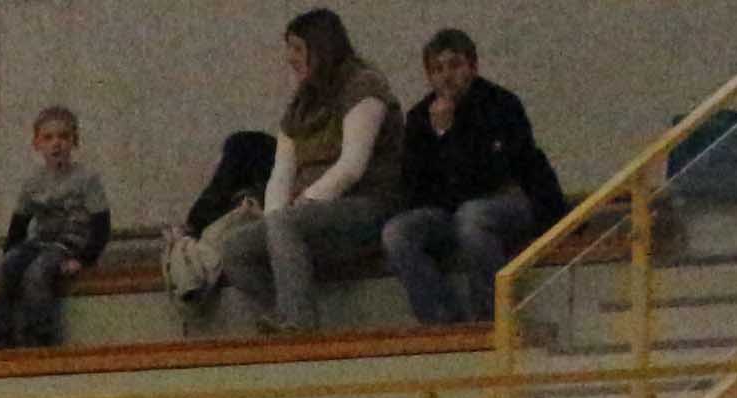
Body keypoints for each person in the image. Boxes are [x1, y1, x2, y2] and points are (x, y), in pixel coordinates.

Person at [197, 10, 405, 334]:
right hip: (310, 216)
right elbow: (281, 172)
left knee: (285, 223)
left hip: (366, 206)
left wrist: (301, 205)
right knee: (235, 248)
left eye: (296, 48)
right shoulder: (300, 104)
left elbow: (351, 167)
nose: (289, 58)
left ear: (321, 47)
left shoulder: (363, 86)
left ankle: (299, 323)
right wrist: (274, 219)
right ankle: (281, 311)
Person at [384, 28, 568, 325]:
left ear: (473, 67)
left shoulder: (500, 105)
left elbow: (489, 176)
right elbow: (414, 187)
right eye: (437, 69)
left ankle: (491, 317)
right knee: (398, 232)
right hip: (447, 209)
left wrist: (448, 135)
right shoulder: (420, 118)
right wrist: (438, 134)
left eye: (455, 65)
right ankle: (441, 319)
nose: (447, 76)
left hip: (506, 201)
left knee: (472, 217)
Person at [0, 109, 112, 349]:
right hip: (39, 243)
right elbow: (19, 225)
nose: (56, 143)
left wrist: (85, 259)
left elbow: (102, 226)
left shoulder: (87, 179)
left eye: (63, 136)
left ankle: (39, 341)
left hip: (69, 245)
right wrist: (10, 258)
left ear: (74, 141)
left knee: (37, 275)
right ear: (37, 144)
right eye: (48, 137)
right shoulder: (33, 182)